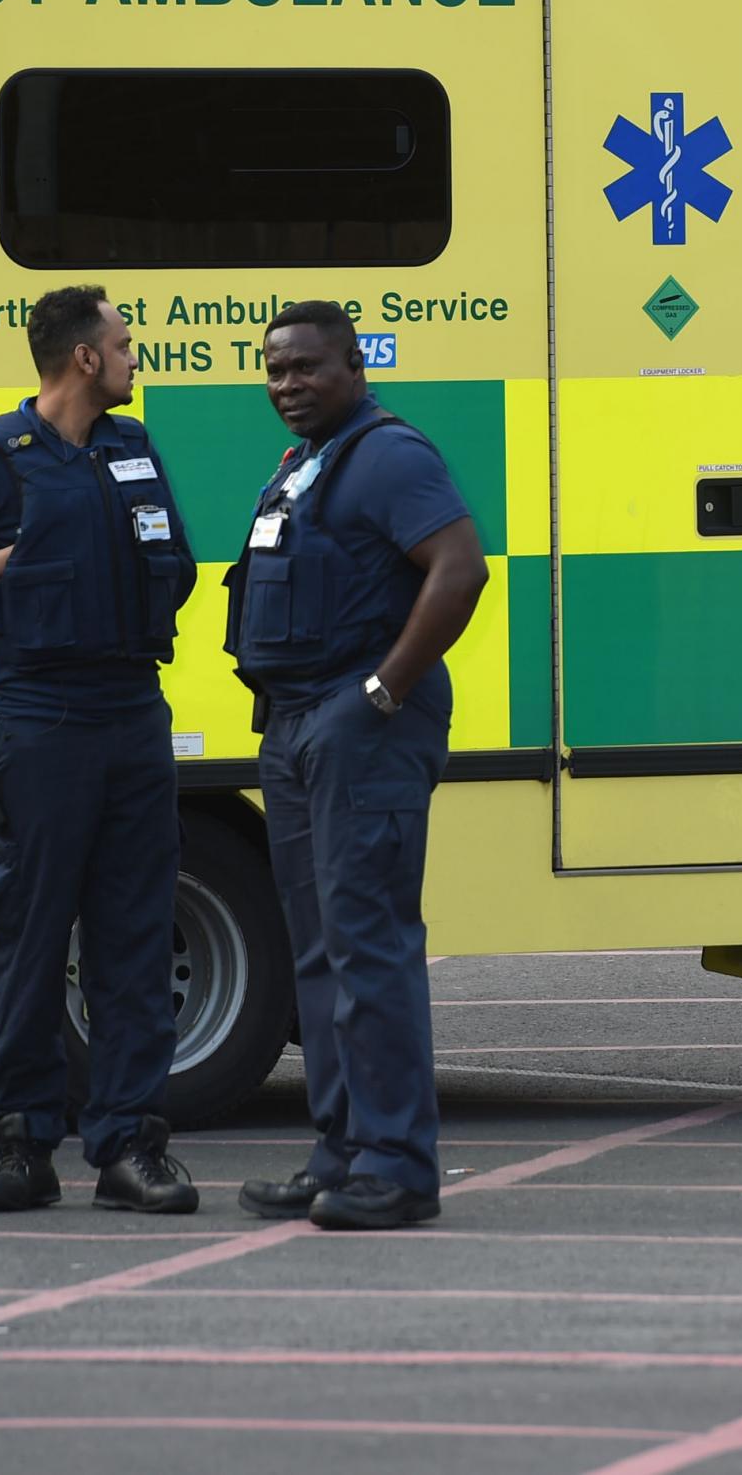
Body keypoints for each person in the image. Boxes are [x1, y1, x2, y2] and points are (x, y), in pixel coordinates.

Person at [0, 286, 200, 1215]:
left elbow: (176, 563)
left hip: (132, 716)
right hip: (35, 723)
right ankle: (24, 1147)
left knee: (136, 944)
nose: (137, 353)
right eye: (125, 341)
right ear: (84, 360)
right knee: (27, 944)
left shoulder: (132, 448)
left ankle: (132, 1149)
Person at [226, 302, 487, 1230]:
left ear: (353, 367)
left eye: (305, 367)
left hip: (362, 727)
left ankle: (397, 1165)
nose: (286, 385)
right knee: (319, 952)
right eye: (274, 370)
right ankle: (340, 1151)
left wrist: (379, 692)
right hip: (298, 729)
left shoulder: (388, 454)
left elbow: (458, 568)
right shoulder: (305, 464)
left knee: (369, 945)